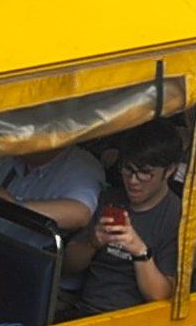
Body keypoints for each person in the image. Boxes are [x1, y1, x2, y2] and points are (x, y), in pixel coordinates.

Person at [62, 120, 186, 314]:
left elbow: (160, 295)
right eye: (128, 169)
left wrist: (139, 251)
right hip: (85, 309)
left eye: (145, 173)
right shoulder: (111, 199)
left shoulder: (176, 215)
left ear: (170, 171)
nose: (133, 181)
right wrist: (93, 242)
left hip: (133, 322)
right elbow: (67, 266)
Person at [0, 143, 105, 232]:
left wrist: (15, 205)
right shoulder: (9, 160)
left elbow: (80, 213)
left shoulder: (81, 165)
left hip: (33, 260)